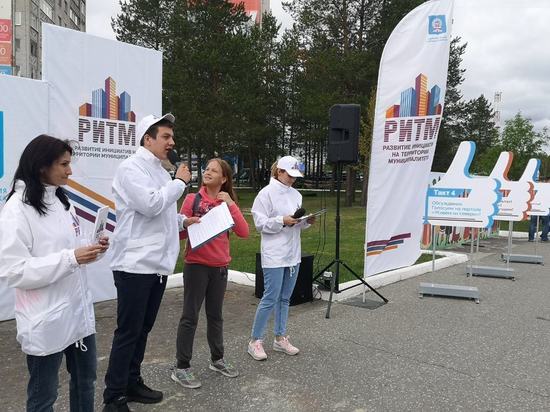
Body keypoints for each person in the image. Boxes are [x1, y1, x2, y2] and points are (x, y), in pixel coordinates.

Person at [0, 135, 109, 412]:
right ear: (41, 166)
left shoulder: (62, 201)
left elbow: (72, 248)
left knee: (85, 382)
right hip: (45, 319)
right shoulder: (17, 209)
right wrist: (71, 258)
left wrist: (93, 248)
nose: (70, 171)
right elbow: (15, 271)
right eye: (64, 164)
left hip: (78, 313)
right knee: (43, 397)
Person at [102, 114, 191, 412]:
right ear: (147, 139)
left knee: (143, 329)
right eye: (166, 136)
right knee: (128, 331)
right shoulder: (130, 168)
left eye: (172, 137)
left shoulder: (160, 172)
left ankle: (132, 381)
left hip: (156, 266)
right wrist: (180, 182)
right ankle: (113, 396)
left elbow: (162, 214)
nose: (171, 142)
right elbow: (151, 204)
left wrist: (182, 220)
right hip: (134, 265)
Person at [172, 158, 249, 388]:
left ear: (224, 178)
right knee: (190, 316)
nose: (207, 172)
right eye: (206, 169)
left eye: (213, 171)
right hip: (196, 266)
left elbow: (244, 232)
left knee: (216, 316)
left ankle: (217, 359)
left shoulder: (227, 202)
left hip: (220, 267)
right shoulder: (192, 199)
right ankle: (182, 367)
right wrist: (187, 224)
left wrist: (231, 204)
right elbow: (179, 233)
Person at [247, 156, 315, 361]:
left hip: (292, 253)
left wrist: (306, 222)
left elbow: (296, 223)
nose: (293, 179)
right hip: (274, 253)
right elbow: (260, 224)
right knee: (270, 297)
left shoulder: (296, 194)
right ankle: (255, 340)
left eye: (295, 176)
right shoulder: (265, 194)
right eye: (289, 175)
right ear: (279, 171)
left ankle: (280, 337)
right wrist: (282, 220)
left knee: (285, 298)